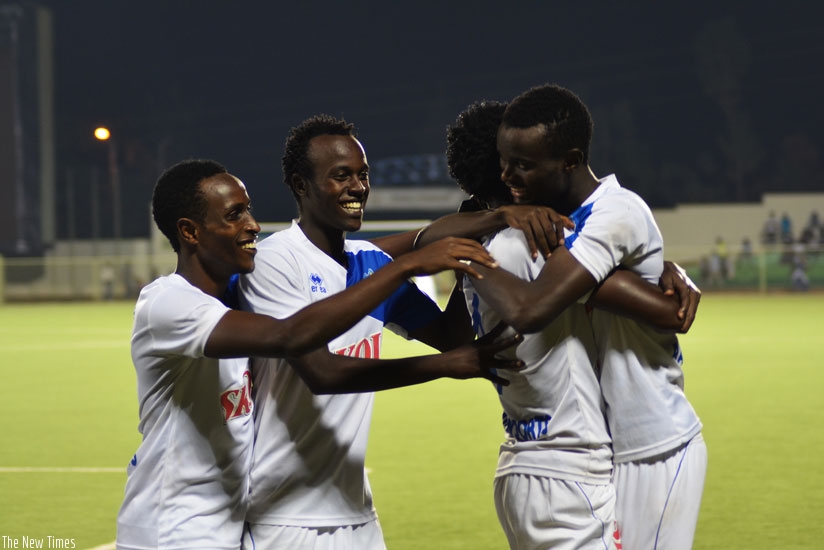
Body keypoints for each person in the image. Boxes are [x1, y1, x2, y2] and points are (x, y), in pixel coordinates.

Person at [115, 159, 523, 550]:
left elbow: (353, 258)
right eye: (234, 215)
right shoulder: (170, 303)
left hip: (227, 522)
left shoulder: (234, 299)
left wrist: (464, 237)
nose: (253, 225)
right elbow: (293, 336)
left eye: (248, 211)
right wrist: (407, 266)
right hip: (170, 528)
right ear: (190, 232)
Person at [416, 99, 699, 550]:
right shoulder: (531, 243)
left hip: (639, 440)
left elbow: (664, 308)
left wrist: (659, 266)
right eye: (507, 162)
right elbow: (665, 311)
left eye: (523, 163)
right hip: (587, 458)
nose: (513, 172)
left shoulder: (530, 237)